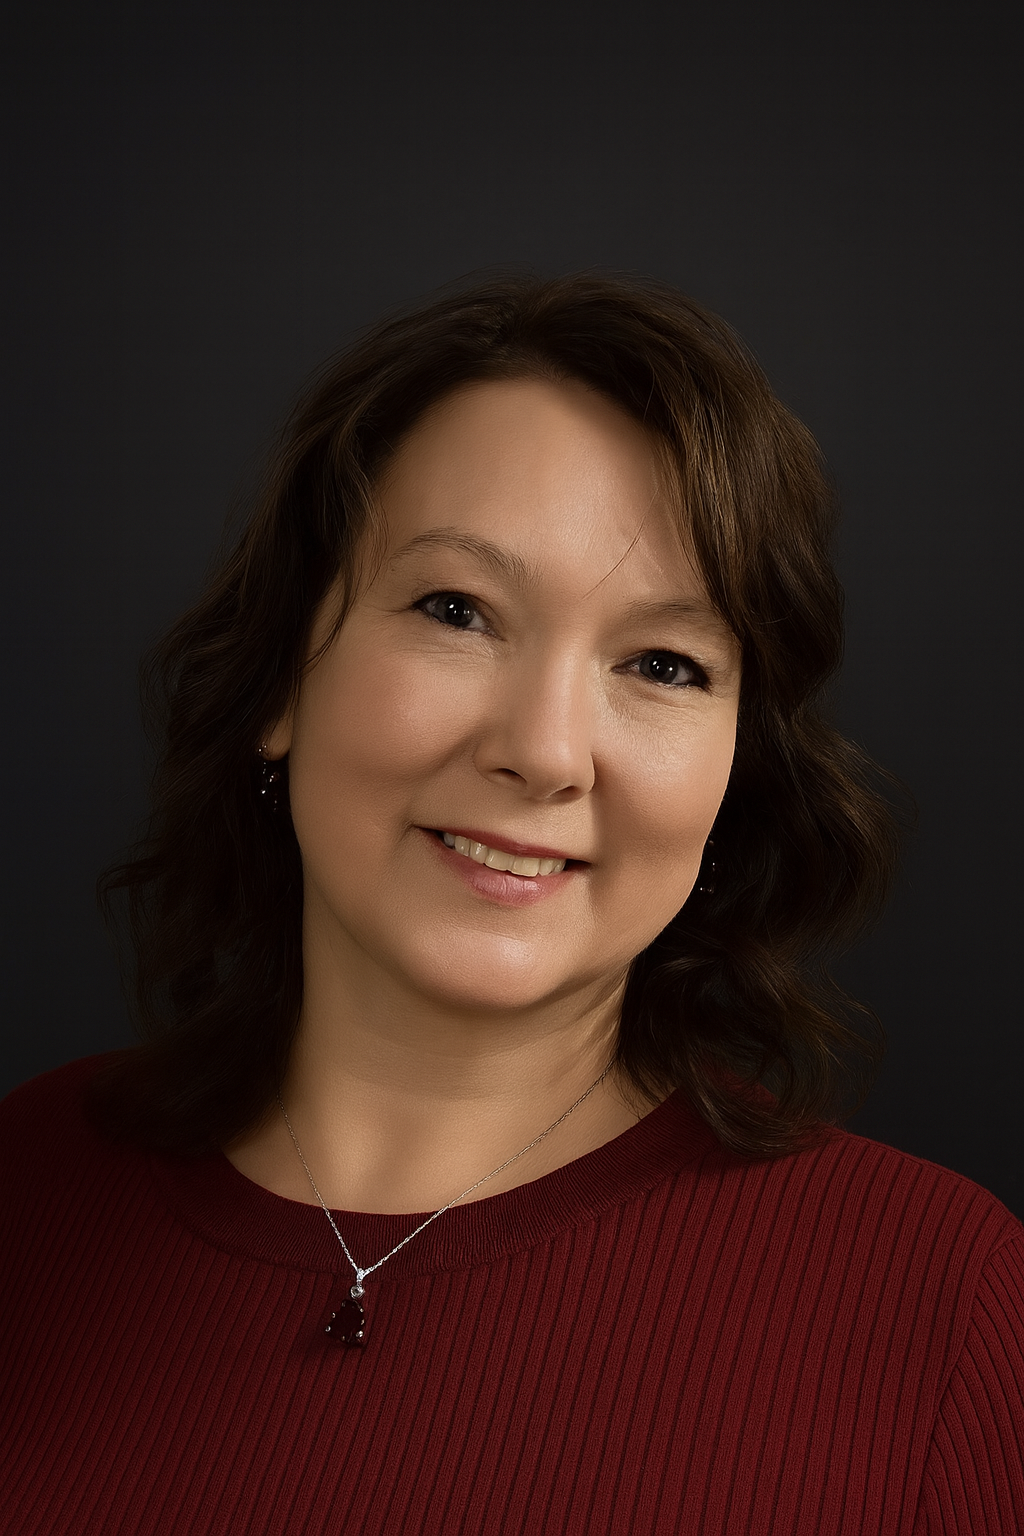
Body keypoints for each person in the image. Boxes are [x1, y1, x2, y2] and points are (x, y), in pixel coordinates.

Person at [1, 272, 1021, 1536]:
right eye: (455, 610)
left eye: (662, 664)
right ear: (280, 677)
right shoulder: (23, 1185)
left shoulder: (944, 1303)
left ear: (733, 771)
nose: (544, 752)